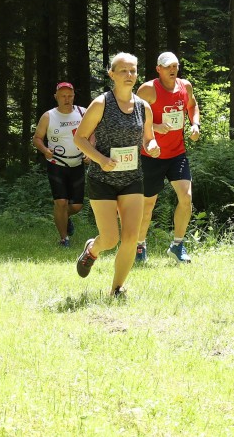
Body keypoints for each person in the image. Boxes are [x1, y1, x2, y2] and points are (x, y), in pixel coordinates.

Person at [73, 53, 160, 298]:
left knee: (131, 237)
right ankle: (92, 249)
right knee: (111, 238)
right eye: (123, 71)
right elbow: (79, 138)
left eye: (132, 71)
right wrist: (101, 160)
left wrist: (151, 147)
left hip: (132, 177)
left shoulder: (143, 107)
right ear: (111, 74)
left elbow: (148, 138)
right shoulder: (102, 103)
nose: (129, 75)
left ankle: (117, 288)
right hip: (102, 179)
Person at [135, 52, 200, 264]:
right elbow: (132, 117)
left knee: (186, 197)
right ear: (158, 69)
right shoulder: (148, 90)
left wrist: (195, 124)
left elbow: (192, 105)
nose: (173, 70)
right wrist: (155, 127)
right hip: (151, 155)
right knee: (147, 207)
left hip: (176, 154)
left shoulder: (185, 86)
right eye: (167, 66)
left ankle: (177, 246)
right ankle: (139, 246)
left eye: (175, 66)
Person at [33, 82, 87, 247]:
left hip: (77, 163)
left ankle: (63, 217)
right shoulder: (49, 116)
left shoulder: (82, 113)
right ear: (56, 97)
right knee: (61, 202)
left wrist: (89, 152)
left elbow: (92, 134)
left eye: (70, 95)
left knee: (76, 206)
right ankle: (64, 239)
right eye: (63, 96)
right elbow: (36, 139)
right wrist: (44, 150)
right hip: (56, 163)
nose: (67, 99)